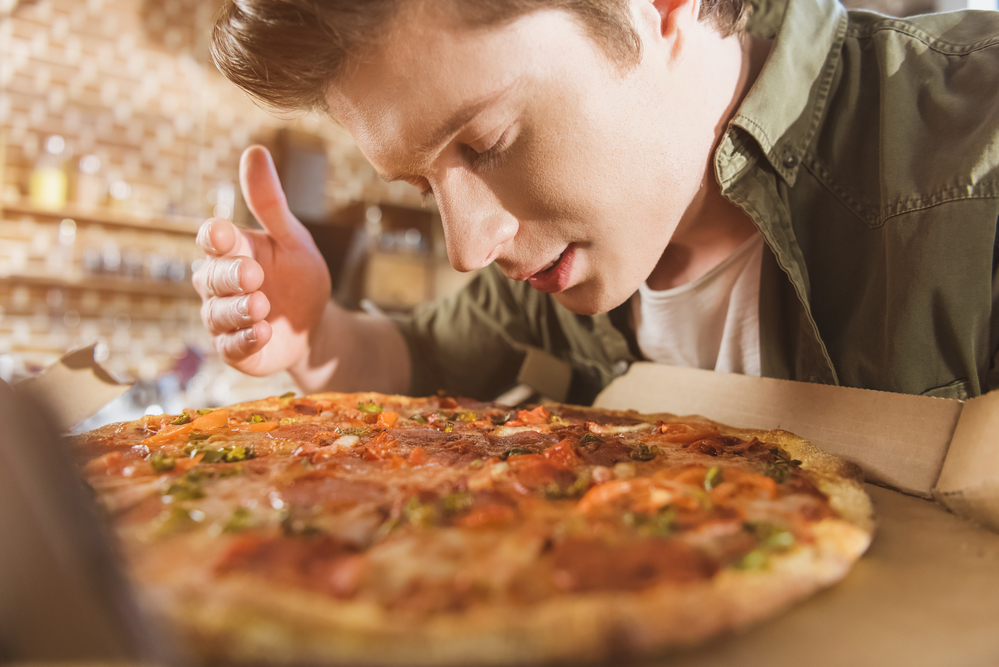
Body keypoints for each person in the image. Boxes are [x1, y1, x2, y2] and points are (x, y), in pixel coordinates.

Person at [193, 0, 999, 405]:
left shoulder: (976, 142)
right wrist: (309, 333)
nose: (470, 247)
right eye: (422, 184)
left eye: (488, 143)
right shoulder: (561, 274)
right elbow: (414, 359)